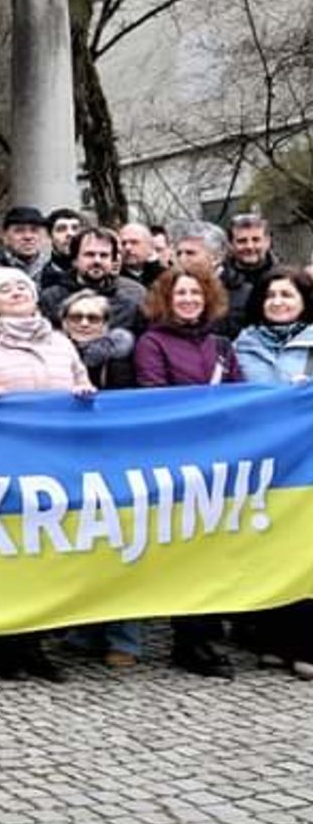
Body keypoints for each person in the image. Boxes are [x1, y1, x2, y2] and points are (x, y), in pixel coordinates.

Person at [0, 267, 93, 682]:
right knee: (10, 553)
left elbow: (81, 383)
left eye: (22, 287)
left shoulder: (63, 343)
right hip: (3, 461)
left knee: (49, 553)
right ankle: (9, 648)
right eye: (5, 290)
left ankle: (39, 646)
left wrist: (83, 396)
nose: (15, 293)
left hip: (56, 460)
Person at [133, 264, 241, 679]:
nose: (189, 300)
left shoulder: (221, 345)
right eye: (181, 294)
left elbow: (242, 397)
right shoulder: (152, 343)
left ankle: (205, 635)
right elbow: (155, 399)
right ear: (166, 299)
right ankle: (188, 641)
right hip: (178, 463)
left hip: (219, 461)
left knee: (214, 551)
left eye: (196, 293)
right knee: (186, 554)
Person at [233, 267, 313, 678]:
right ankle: (271, 642)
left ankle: (305, 646)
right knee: (267, 553)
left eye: (287, 295)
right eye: (270, 296)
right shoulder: (242, 345)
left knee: (305, 555)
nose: (278, 302)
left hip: (306, 465)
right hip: (262, 464)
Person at [55, 289, 140, 668]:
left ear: (107, 324)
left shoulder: (124, 360)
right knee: (75, 546)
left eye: (94, 318)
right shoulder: (52, 358)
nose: (85, 324)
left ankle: (124, 638)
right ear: (63, 322)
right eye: (77, 317)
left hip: (114, 460)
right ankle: (84, 629)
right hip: (63, 463)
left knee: (119, 544)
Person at [37, 227, 147, 334]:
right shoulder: (51, 299)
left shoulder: (130, 300)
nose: (97, 261)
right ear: (75, 260)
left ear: (113, 261)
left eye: (104, 255)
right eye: (89, 254)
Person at [1, 206, 50, 282]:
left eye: (34, 230)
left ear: (45, 236)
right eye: (19, 230)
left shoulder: (55, 275)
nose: (28, 237)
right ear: (5, 237)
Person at [41, 208, 82, 289]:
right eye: (61, 229)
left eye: (75, 228)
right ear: (49, 236)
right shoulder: (39, 279)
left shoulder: (96, 276)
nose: (70, 234)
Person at [118, 221, 165, 287]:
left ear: (149, 247)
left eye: (134, 242)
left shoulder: (164, 276)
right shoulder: (114, 278)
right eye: (123, 243)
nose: (127, 247)